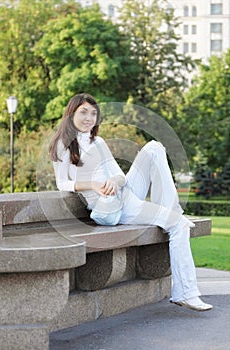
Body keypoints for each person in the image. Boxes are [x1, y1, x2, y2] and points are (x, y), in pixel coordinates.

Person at [49, 93, 213, 312]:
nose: (89, 118)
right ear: (71, 114)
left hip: (123, 193)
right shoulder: (62, 144)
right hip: (109, 205)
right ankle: (186, 293)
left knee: (154, 147)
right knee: (179, 225)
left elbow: (120, 175)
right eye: (83, 112)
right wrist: (94, 185)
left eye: (93, 113)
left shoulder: (98, 141)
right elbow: (62, 183)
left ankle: (170, 211)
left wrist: (115, 181)